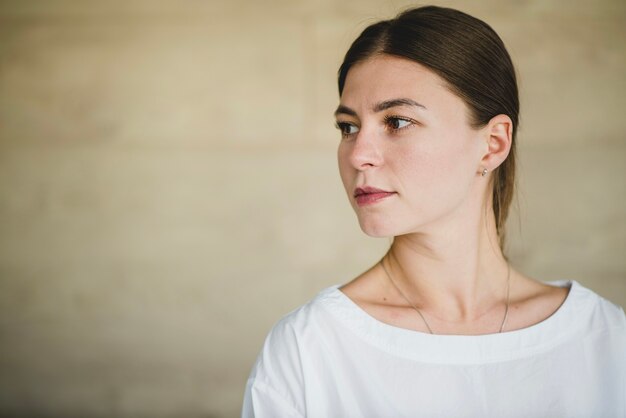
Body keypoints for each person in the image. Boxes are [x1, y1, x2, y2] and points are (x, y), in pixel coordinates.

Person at [241, 6, 626, 417]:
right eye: (348, 127)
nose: (359, 155)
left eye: (397, 122)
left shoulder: (603, 338)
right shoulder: (309, 349)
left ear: (493, 143)